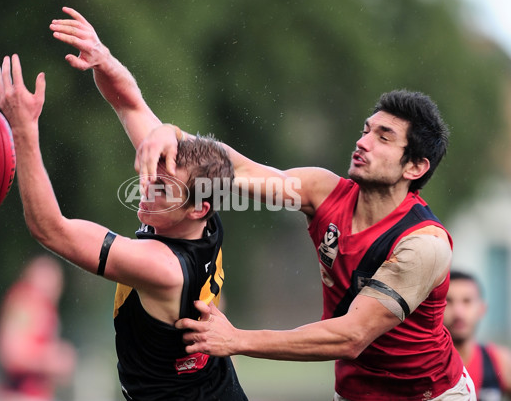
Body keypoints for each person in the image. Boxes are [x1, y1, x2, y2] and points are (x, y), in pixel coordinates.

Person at [133, 90, 476, 400]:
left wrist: (237, 339)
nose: (363, 142)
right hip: (355, 393)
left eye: (383, 138)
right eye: (366, 130)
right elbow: (239, 170)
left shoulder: (423, 244)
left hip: (430, 396)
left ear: (415, 167)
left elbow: (351, 336)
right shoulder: (323, 190)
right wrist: (176, 135)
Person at [0, 7, 247, 401]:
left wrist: (23, 129)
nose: (147, 187)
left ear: (198, 209)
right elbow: (129, 103)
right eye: (154, 171)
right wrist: (103, 57)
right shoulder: (199, 206)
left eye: (162, 188)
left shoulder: (163, 267)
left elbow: (51, 230)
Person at [0, 255, 76, 401]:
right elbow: (10, 353)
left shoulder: (45, 310)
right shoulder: (24, 303)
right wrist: (51, 359)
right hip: (17, 394)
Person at [444, 270, 511, 400]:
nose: (458, 312)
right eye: (449, 301)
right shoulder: (423, 364)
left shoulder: (500, 361)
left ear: (481, 308)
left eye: (467, 301)